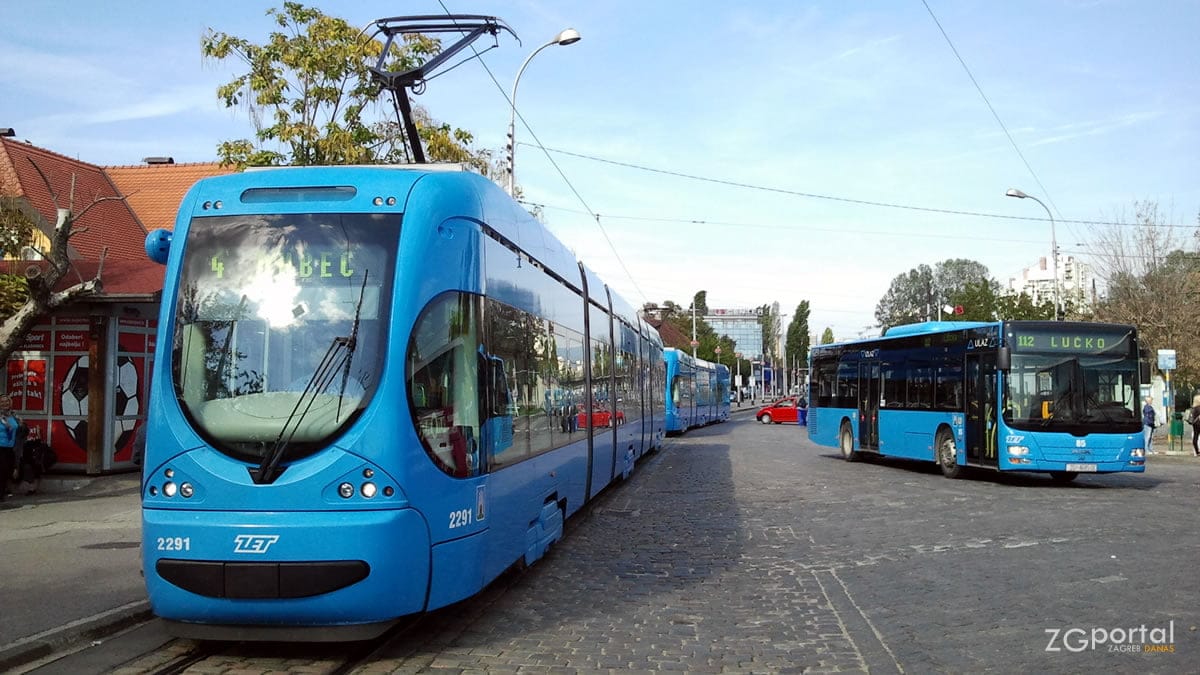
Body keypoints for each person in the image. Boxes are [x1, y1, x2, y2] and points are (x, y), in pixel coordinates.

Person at [0, 395, 20, 500]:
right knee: (2, 470)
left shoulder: (14, 416)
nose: (5, 403)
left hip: (10, 447)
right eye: (2, 402)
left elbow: (20, 430)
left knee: (7, 471)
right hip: (0, 446)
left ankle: (2, 493)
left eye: (7, 401)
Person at [1187, 394, 1200, 458]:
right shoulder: (1199, 408)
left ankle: (1196, 451)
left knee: (1195, 437)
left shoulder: (1193, 408)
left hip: (1195, 424)